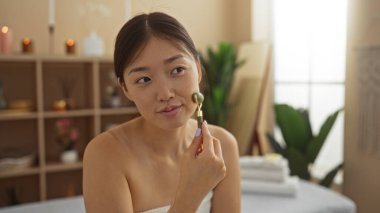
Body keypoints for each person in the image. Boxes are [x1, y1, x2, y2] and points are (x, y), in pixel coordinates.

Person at [83, 12, 240, 213]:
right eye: (144, 79)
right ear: (126, 89)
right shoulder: (105, 154)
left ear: (198, 70)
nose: (165, 94)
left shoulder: (223, 146)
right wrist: (190, 194)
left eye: (177, 70)